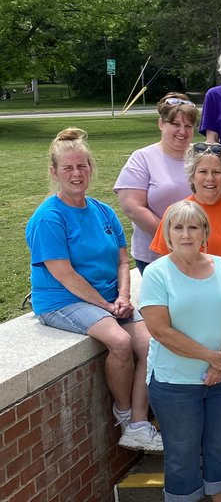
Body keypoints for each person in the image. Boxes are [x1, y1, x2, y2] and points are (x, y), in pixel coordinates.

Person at [27, 128, 158, 452]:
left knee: (152, 345)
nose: (76, 174)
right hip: (63, 300)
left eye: (82, 166)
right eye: (68, 168)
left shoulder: (102, 210)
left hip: (110, 300)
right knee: (120, 341)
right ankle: (124, 413)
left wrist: (124, 297)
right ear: (54, 172)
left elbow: (122, 259)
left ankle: (140, 424)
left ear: (90, 168)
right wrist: (107, 304)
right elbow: (65, 274)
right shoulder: (49, 218)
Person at [149, 143, 221, 472]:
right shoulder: (178, 213)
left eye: (217, 171)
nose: (210, 178)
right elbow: (164, 265)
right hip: (190, 317)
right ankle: (201, 450)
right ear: (192, 175)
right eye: (203, 171)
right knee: (196, 380)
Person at [140, 201, 221, 502]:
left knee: (220, 446)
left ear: (205, 232)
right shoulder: (157, 273)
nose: (185, 234)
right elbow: (160, 330)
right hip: (175, 382)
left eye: (193, 228)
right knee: (182, 450)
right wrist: (209, 357)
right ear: (167, 234)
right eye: (177, 228)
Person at [115, 93, 198, 271]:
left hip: (202, 253)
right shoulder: (142, 158)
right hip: (156, 257)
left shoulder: (203, 156)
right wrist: (174, 240)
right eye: (175, 124)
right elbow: (132, 207)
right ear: (161, 124)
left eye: (188, 126)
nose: (182, 131)